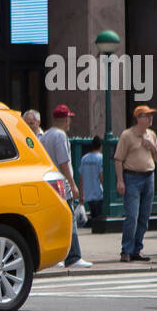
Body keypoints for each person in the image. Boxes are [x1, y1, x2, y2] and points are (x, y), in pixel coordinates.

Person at [42, 105, 91, 268]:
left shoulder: (45, 135)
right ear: (66, 119)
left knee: (53, 221)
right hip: (61, 184)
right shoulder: (60, 136)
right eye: (70, 118)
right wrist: (72, 183)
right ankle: (73, 256)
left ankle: (56, 257)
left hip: (49, 184)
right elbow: (64, 162)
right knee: (69, 219)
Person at [115, 105, 157, 262]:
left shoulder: (152, 135)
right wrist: (120, 181)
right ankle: (126, 250)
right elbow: (118, 159)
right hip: (132, 177)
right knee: (132, 216)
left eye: (151, 115)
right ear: (138, 118)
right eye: (146, 115)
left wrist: (153, 147)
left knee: (144, 216)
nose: (150, 118)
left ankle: (137, 248)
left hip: (149, 177)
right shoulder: (127, 135)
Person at [79, 136, 104, 228]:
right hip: (98, 192)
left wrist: (81, 193)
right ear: (101, 146)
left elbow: (81, 176)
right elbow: (101, 176)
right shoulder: (101, 158)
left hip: (88, 192)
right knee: (98, 216)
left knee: (93, 213)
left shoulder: (84, 158)